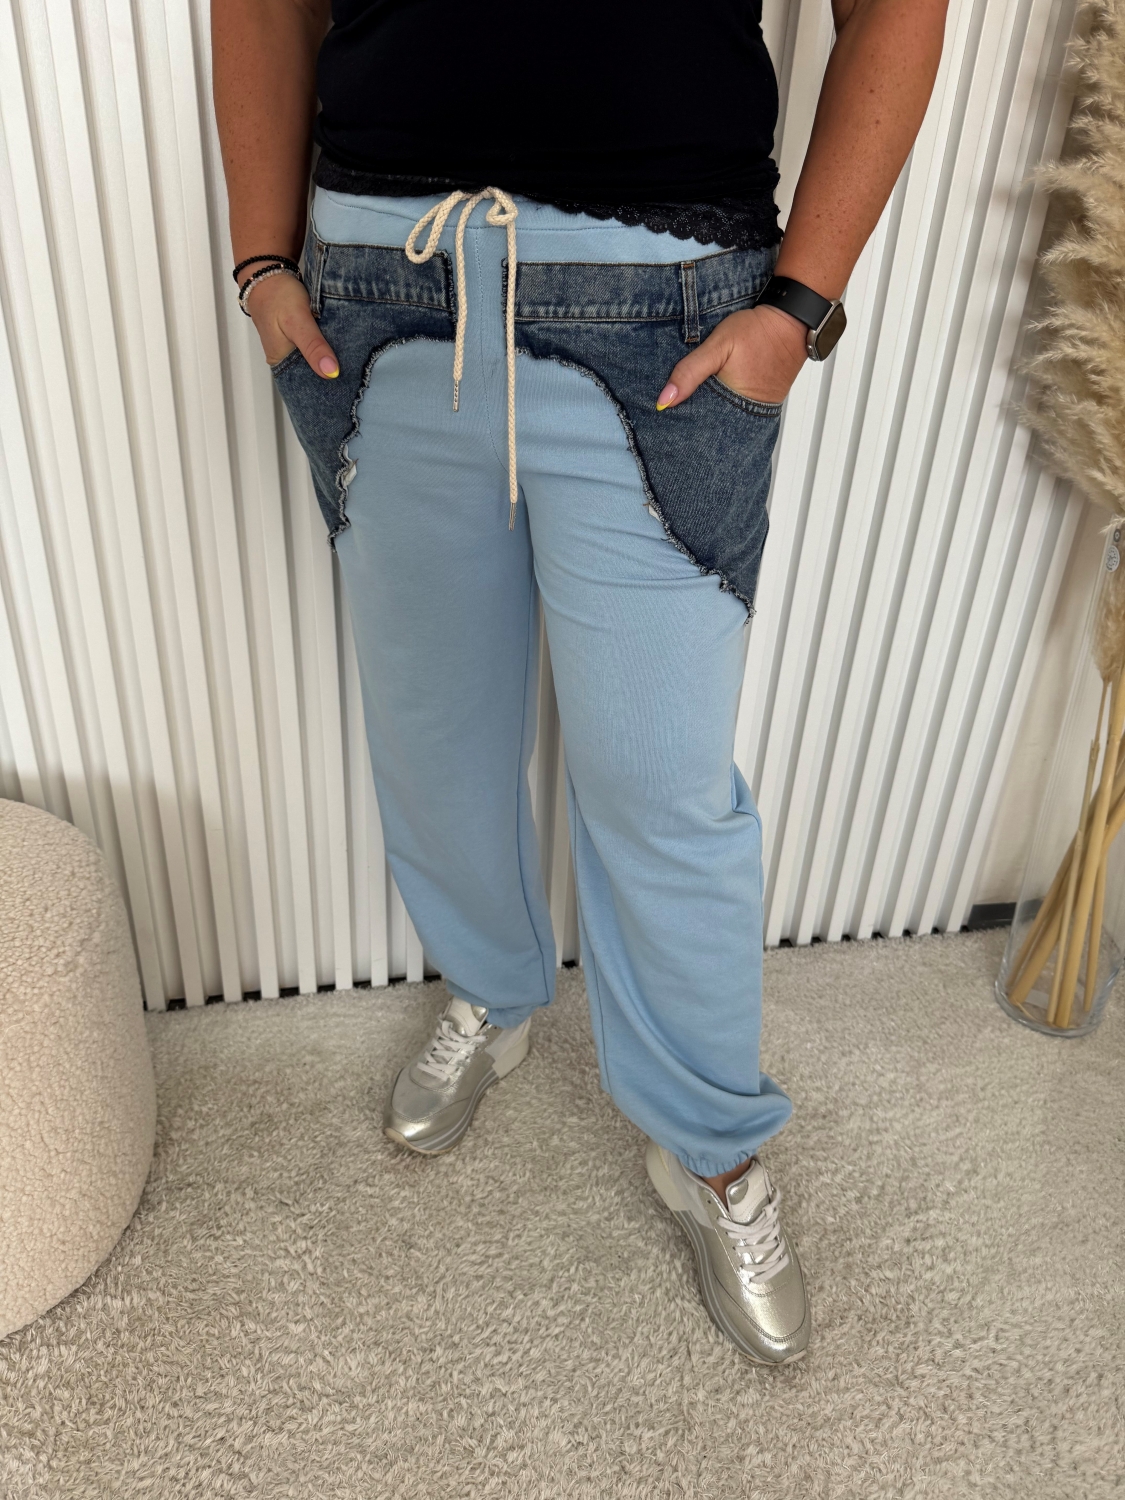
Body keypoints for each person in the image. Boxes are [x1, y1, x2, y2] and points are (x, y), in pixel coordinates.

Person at [212, 0, 948, 1364]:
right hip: (382, 287)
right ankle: (493, 991)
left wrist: (798, 308)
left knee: (662, 782)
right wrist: (262, 264)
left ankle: (709, 1143)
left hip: (667, 307)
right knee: (433, 730)